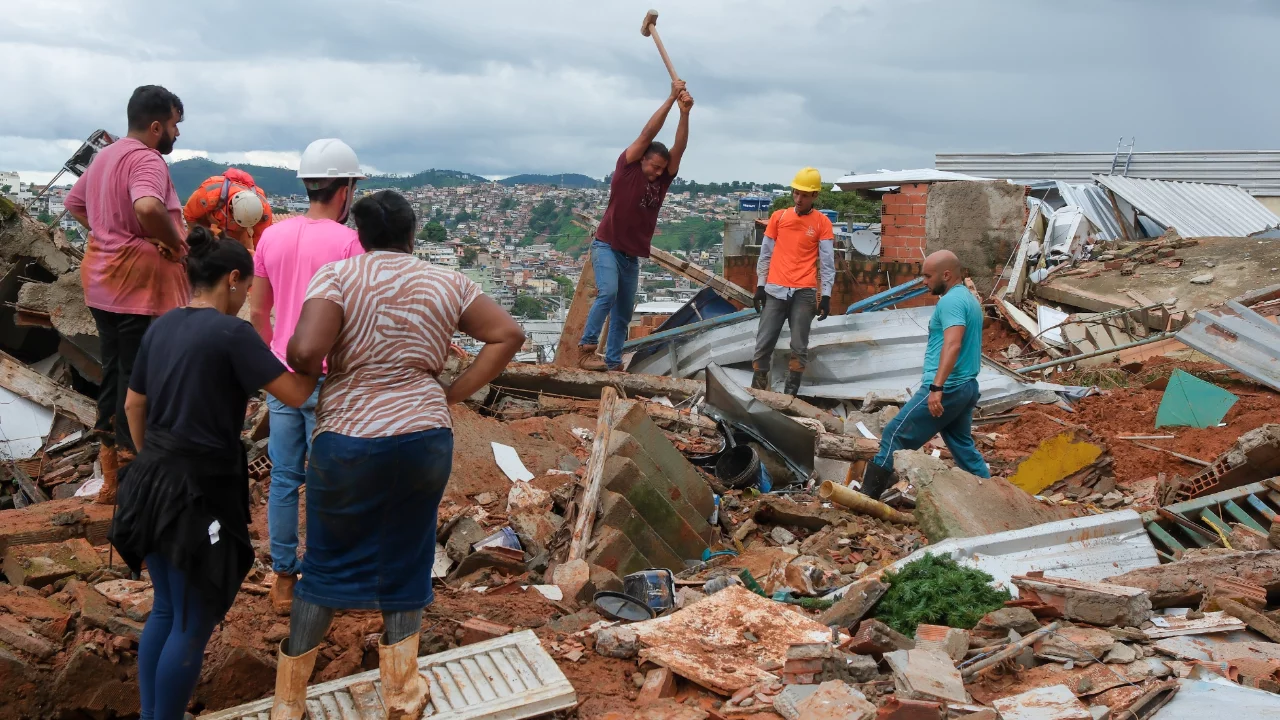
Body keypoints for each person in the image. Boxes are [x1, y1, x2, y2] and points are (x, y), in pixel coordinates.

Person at [270, 191, 525, 720]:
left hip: (349, 437)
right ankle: (403, 695)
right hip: (423, 437)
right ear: (412, 234)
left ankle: (289, 702)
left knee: (326, 564)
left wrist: (313, 354)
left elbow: (304, 352)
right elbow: (508, 334)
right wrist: (451, 393)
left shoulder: (338, 276)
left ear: (359, 235)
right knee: (409, 556)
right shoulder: (447, 281)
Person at [107, 227, 317, 720]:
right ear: (233, 279)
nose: (247, 299)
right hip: (199, 490)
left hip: (149, 482)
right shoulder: (231, 334)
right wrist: (316, 353)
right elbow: (294, 394)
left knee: (166, 608)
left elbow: (134, 405)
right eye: (247, 288)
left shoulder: (162, 326)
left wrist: (155, 461)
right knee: (193, 621)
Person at [250, 139, 365, 616]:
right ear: (345, 190)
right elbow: (357, 317)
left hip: (282, 374)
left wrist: (269, 364)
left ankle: (283, 577)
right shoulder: (348, 243)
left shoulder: (271, 236)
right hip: (329, 377)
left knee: (284, 477)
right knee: (328, 480)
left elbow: (259, 312)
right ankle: (324, 574)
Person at [64, 85, 192, 505]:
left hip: (102, 280)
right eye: (174, 125)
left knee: (115, 372)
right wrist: (171, 244)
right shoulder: (146, 159)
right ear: (156, 126)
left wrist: (110, 234)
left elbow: (73, 202)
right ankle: (134, 477)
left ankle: (111, 479)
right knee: (138, 378)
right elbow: (148, 207)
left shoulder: (106, 156)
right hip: (135, 285)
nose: (176, 133)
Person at [577, 81, 693, 371]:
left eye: (661, 168)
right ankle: (586, 349)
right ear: (642, 159)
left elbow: (679, 148)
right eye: (653, 166)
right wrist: (670, 99)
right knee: (608, 293)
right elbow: (647, 133)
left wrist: (685, 113)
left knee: (623, 314)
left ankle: (613, 362)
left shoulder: (662, 181)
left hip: (631, 256)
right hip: (607, 245)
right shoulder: (627, 168)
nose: (657, 172)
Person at [859, 250, 991, 499]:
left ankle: (866, 499)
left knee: (894, 434)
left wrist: (936, 387)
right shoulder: (968, 299)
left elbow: (953, 344)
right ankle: (992, 496)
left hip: (948, 386)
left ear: (946, 275)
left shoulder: (951, 302)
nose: (924, 281)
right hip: (966, 386)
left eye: (928, 276)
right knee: (963, 447)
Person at [751, 167, 835, 396]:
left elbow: (828, 263)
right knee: (763, 343)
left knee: (799, 347)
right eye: (796, 193)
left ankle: (789, 396)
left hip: (804, 292)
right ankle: (757, 393)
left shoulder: (822, 223)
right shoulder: (779, 218)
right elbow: (765, 254)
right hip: (775, 290)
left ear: (814, 195)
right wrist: (760, 286)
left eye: (804, 195)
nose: (799, 199)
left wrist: (826, 296)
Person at [183, 168, 273, 252]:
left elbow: (262, 241)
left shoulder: (264, 211)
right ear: (230, 207)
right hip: (208, 227)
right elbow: (189, 216)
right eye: (238, 223)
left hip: (240, 235)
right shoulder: (208, 194)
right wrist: (206, 237)